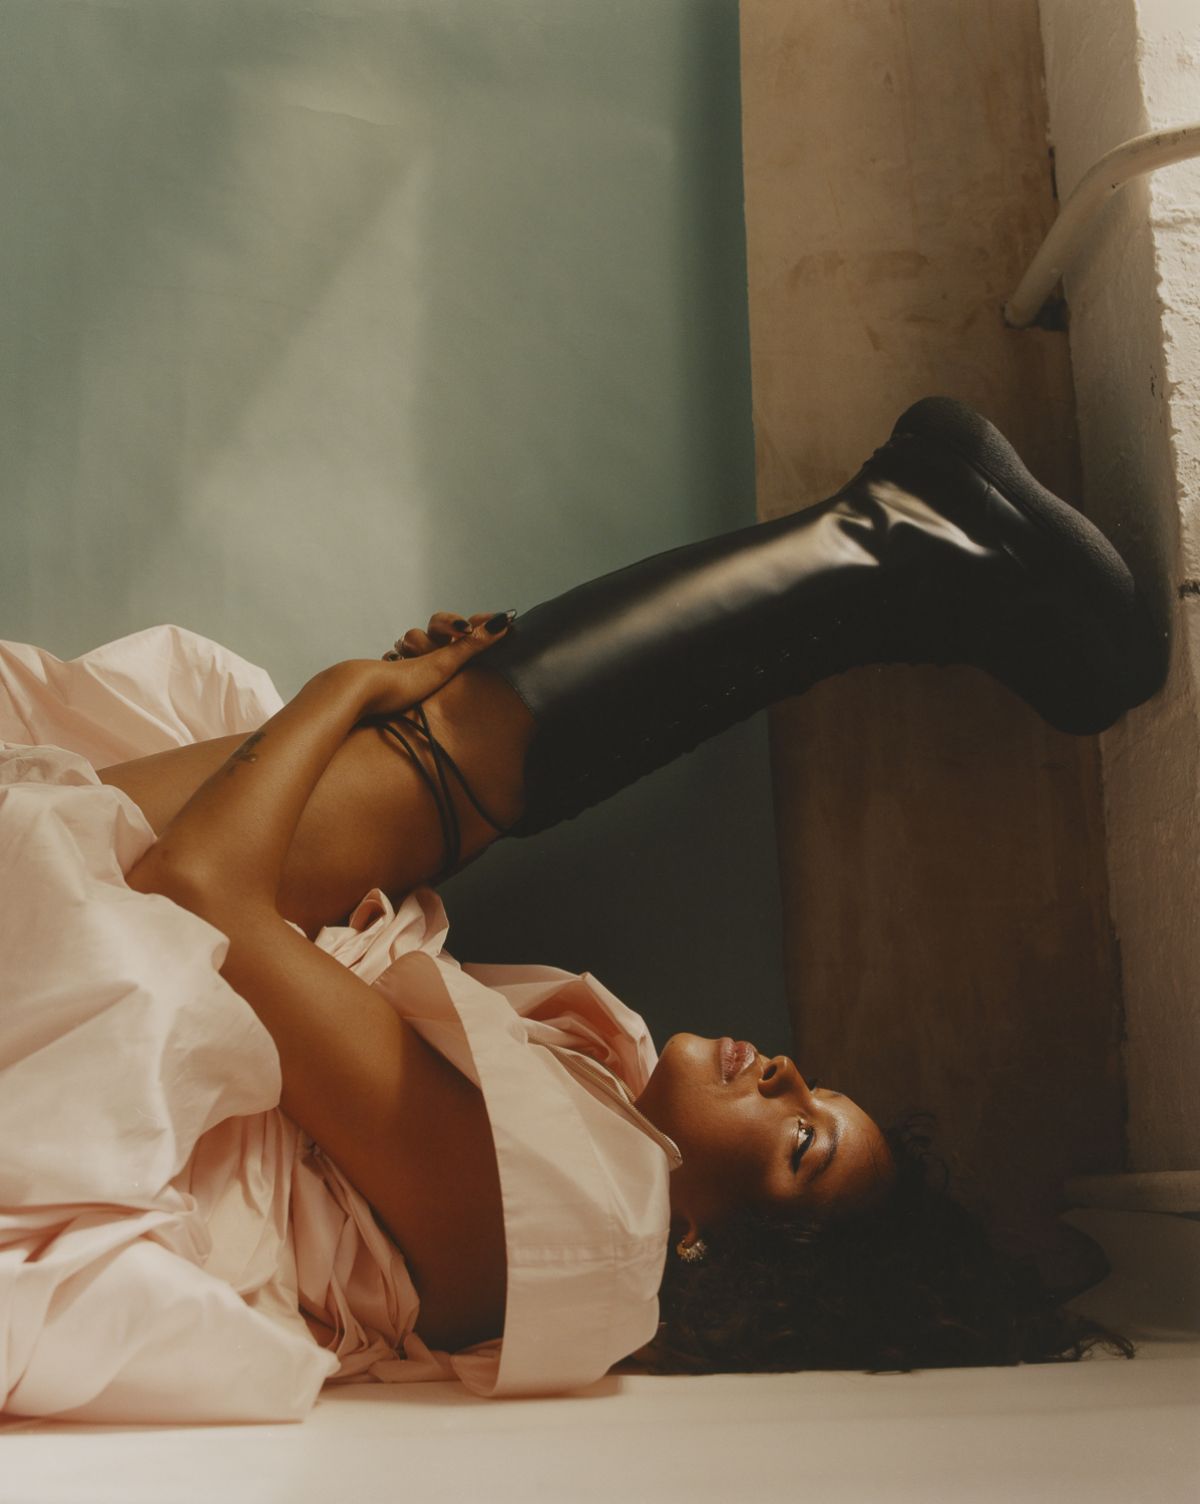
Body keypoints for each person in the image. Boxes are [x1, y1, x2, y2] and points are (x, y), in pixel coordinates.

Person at [0, 397, 1151, 1423]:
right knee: (415, 771)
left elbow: (191, 896)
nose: (788, 1074)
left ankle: (905, 541)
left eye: (802, 1142)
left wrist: (348, 688)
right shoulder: (598, 1146)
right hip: (115, 981)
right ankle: (906, 561)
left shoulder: (568, 1221)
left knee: (425, 759)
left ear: (715, 1251)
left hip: (75, 1009)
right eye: (820, 1089)